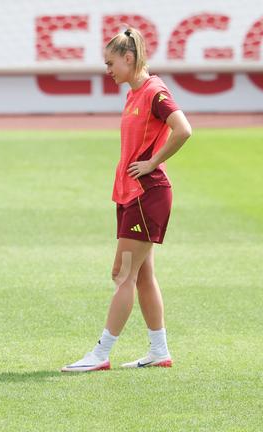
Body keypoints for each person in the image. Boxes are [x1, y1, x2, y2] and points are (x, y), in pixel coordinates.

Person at [61, 28, 192, 372]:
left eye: (111, 63)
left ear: (129, 58)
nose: (108, 70)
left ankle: (101, 353)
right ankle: (159, 350)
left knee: (123, 274)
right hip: (131, 195)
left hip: (147, 196)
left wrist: (152, 161)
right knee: (142, 274)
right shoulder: (134, 94)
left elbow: (183, 129)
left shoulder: (154, 92)